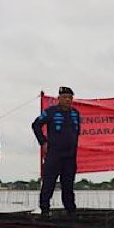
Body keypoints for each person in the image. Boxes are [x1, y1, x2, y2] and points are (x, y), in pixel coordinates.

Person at [32, 87, 81, 216]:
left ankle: (71, 211)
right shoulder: (50, 112)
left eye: (70, 98)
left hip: (70, 156)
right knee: (49, 183)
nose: (67, 100)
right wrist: (43, 142)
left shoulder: (75, 113)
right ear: (59, 99)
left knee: (68, 185)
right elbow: (36, 125)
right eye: (65, 97)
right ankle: (44, 210)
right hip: (54, 154)